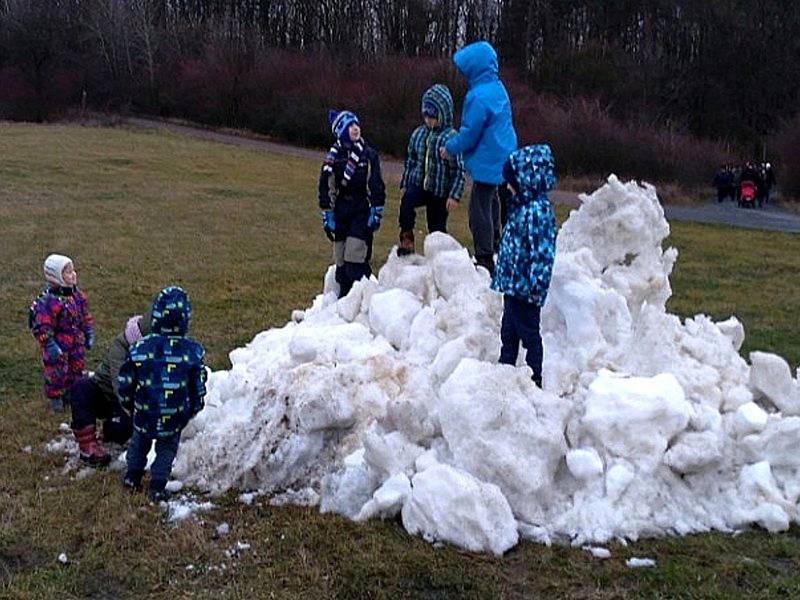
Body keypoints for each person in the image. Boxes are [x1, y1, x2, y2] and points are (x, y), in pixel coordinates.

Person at [118, 286, 207, 502]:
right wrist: (195, 406)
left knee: (139, 443)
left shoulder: (140, 348)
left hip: (145, 412)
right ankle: (157, 485)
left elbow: (126, 379)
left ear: (156, 315)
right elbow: (198, 383)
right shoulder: (192, 352)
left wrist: (128, 403)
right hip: (174, 414)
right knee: (167, 450)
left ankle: (133, 475)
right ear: (185, 319)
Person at [440, 41, 518, 275]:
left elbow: (470, 133)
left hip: (488, 158)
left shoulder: (477, 96)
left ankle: (484, 257)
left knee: (478, 209)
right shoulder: (497, 87)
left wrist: (450, 148)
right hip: (504, 153)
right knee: (492, 199)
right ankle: (494, 244)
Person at [492, 145, 557, 388]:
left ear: (526, 181)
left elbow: (542, 254)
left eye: (511, 181)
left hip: (526, 289)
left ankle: (534, 377)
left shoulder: (536, 213)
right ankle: (505, 367)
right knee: (508, 331)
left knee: (529, 332)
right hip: (513, 285)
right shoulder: (521, 208)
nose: (507, 186)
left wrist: (535, 285)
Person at [69, 311, 151, 467]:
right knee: (81, 388)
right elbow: (121, 387)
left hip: (131, 402)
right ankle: (88, 444)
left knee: (120, 433)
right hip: (109, 395)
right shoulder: (121, 348)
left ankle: (111, 428)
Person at [319, 109, 386, 298]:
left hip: (360, 210)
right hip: (341, 210)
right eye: (350, 126)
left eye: (356, 124)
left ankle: (359, 301)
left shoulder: (368, 154)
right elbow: (327, 185)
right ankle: (342, 302)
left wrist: (376, 208)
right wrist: (327, 212)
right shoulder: (334, 156)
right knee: (340, 261)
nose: (355, 129)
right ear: (341, 131)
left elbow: (375, 183)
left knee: (354, 260)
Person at [397, 84, 466, 255]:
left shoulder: (451, 138)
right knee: (407, 203)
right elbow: (411, 160)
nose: (429, 120)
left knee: (436, 226)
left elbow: (458, 170)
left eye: (433, 117)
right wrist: (406, 182)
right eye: (426, 116)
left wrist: (454, 195)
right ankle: (406, 237)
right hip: (419, 185)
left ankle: (440, 255)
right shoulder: (418, 134)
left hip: (439, 190)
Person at [29, 254, 94, 413]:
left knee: (76, 367)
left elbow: (84, 315)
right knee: (56, 370)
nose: (74, 275)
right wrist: (49, 344)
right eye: (68, 272)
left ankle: (73, 391)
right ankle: (55, 395)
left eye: (73, 271)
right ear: (56, 276)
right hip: (59, 343)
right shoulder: (48, 301)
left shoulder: (77, 295)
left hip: (76, 341)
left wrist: (88, 331)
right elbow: (41, 326)